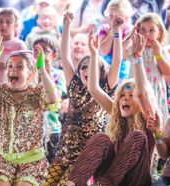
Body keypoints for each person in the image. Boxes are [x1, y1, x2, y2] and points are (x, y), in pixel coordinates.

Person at [65, 27, 160, 186]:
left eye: (131, 95)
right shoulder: (117, 114)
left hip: (136, 180)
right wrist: (94, 55)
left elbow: (143, 94)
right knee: (102, 137)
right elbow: (93, 88)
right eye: (122, 95)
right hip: (112, 179)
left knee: (137, 135)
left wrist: (137, 57)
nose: (125, 99)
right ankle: (72, 184)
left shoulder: (149, 117)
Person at [0, 33, 59, 185]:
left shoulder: (36, 93)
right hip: (6, 161)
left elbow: (53, 98)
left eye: (19, 67)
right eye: (10, 66)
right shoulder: (1, 90)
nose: (13, 69)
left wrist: (42, 69)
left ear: (30, 74)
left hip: (32, 163)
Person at [45, 12, 121, 185]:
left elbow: (117, 61)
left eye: (93, 67)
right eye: (84, 67)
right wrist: (66, 25)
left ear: (102, 73)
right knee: (47, 182)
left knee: (67, 183)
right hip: (64, 151)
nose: (87, 70)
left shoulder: (104, 89)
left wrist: (117, 30)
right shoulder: (74, 86)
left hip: (86, 155)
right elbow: (65, 57)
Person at [32, 37, 67, 163]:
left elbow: (56, 98)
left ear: (54, 55)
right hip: (31, 130)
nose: (39, 54)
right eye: (35, 51)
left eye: (44, 51)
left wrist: (46, 70)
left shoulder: (58, 74)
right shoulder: (28, 74)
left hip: (52, 129)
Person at [132, 12, 170, 124]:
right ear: (138, 31)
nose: (147, 34)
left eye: (151, 30)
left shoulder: (161, 50)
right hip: (137, 89)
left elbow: (167, 71)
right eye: (143, 30)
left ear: (159, 33)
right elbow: (123, 54)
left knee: (155, 118)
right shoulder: (133, 47)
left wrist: (158, 54)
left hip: (155, 90)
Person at [0, 7, 27, 83]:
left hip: (7, 86)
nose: (4, 25)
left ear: (16, 25)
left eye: (8, 22)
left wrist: (6, 65)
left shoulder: (19, 45)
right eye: (0, 21)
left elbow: (24, 67)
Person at [98, 0, 134, 81]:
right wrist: (112, 32)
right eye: (111, 15)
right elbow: (103, 50)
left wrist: (117, 31)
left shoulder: (130, 31)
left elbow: (121, 53)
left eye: (118, 17)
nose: (113, 19)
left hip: (120, 74)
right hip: (103, 71)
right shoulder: (104, 28)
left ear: (126, 18)